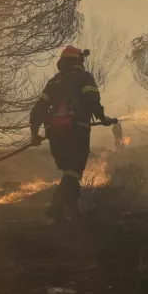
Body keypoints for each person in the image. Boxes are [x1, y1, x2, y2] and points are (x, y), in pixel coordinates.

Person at [30, 46, 116, 221]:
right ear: (78, 61)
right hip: (77, 130)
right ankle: (56, 205)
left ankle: (71, 212)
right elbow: (92, 101)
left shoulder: (54, 82)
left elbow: (38, 109)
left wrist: (34, 134)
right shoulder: (84, 78)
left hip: (54, 134)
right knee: (74, 170)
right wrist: (103, 118)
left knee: (69, 171)